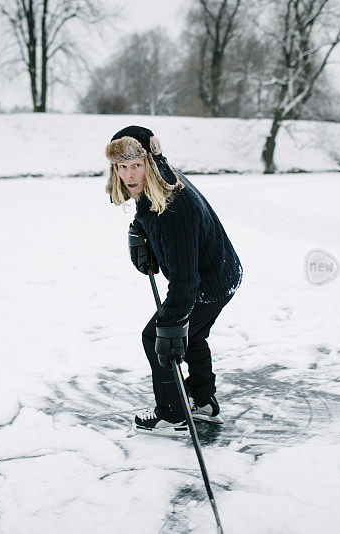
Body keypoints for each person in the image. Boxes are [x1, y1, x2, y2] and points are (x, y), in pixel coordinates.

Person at [105, 125, 242, 436]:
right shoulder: (159, 182)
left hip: (206, 283)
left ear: (150, 163)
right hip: (222, 273)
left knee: (156, 338)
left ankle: (172, 413)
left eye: (136, 165)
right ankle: (204, 404)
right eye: (121, 167)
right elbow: (150, 215)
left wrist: (171, 322)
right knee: (192, 337)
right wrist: (142, 232)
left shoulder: (173, 207)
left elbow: (184, 278)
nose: (129, 175)